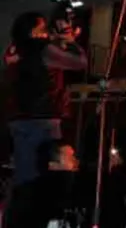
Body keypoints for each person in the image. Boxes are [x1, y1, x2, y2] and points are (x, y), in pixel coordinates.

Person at [4, 11, 87, 186]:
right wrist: (70, 42)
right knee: (44, 173)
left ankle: (20, 208)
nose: (47, 32)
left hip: (18, 118)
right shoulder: (43, 49)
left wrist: (58, 40)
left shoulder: (14, 49)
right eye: (43, 28)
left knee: (25, 172)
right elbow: (79, 62)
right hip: (44, 117)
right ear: (33, 32)